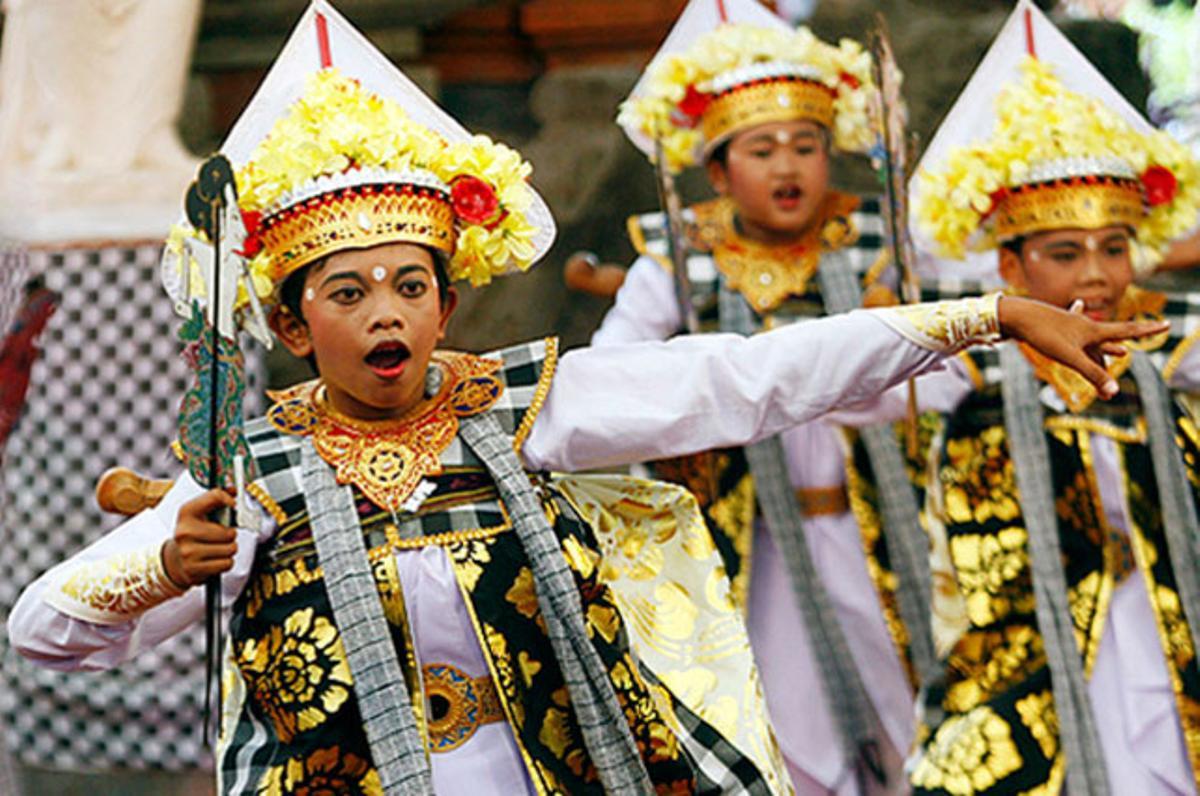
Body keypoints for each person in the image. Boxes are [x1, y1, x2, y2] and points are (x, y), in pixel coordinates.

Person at [5, 4, 1161, 795]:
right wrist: (168, 562)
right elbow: (43, 629)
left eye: (412, 283)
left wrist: (986, 316)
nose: (386, 311)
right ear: (296, 327)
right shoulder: (251, 472)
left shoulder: (521, 407)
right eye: (348, 292)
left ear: (448, 307)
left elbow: (748, 376)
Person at [602, 1, 928, 790]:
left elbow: (948, 376)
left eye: (806, 145)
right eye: (761, 148)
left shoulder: (881, 244)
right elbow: (612, 377)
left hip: (879, 527)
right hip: (745, 543)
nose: (788, 167)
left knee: (913, 713)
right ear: (717, 170)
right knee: (776, 721)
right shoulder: (677, 262)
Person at [877, 27, 1200, 792]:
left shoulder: (1168, 345)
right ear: (1010, 265)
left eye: (1115, 248)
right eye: (1064, 253)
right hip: (1028, 651)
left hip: (1166, 629)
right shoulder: (971, 371)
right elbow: (870, 381)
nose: (1097, 273)